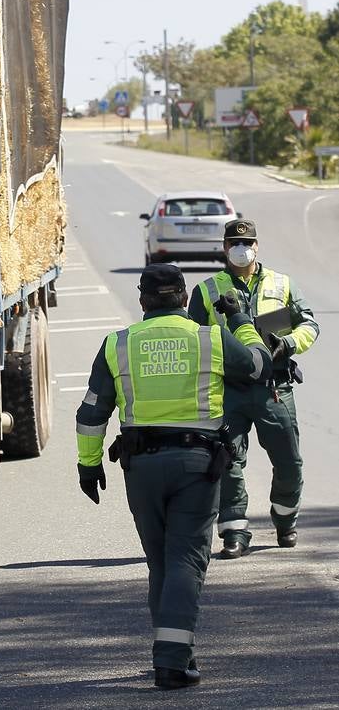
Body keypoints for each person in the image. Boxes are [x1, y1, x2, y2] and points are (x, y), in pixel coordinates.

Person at [76, 263, 271, 690]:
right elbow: (259, 366)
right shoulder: (211, 338)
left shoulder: (118, 344)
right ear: (183, 298)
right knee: (186, 559)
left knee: (161, 561)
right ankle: (170, 661)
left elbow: (91, 414)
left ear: (142, 298)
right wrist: (239, 318)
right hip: (197, 465)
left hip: (141, 467)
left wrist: (88, 465)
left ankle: (177, 652)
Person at [188, 219, 319, 559]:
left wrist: (287, 343)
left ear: (257, 246)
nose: (240, 249)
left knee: (289, 461)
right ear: (224, 248)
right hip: (228, 388)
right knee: (227, 460)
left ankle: (285, 519)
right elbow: (195, 339)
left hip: (274, 387)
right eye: (233, 243)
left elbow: (309, 325)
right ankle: (234, 532)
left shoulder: (281, 283)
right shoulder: (208, 290)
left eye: (246, 243)